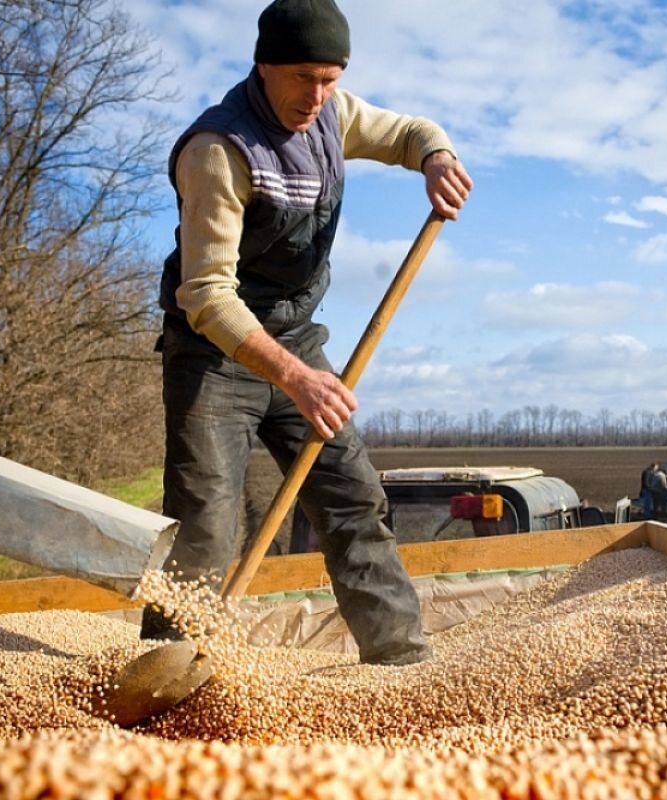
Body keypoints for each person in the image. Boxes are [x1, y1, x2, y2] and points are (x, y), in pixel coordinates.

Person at [145, 0, 473, 667]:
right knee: (204, 527)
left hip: (297, 342)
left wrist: (436, 157)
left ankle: (400, 657)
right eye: (303, 77)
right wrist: (292, 377)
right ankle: (164, 679)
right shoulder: (218, 150)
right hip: (213, 356)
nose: (317, 96)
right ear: (263, 66)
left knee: (353, 496)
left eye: (330, 78)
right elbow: (205, 295)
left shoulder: (334, 113)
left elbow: (411, 131)